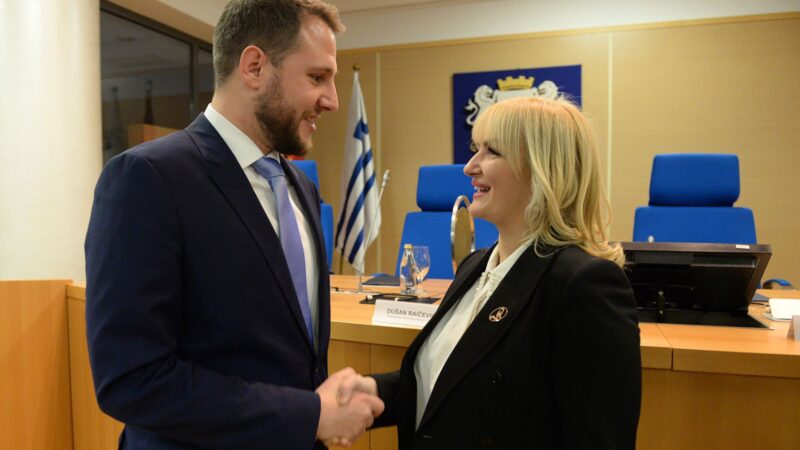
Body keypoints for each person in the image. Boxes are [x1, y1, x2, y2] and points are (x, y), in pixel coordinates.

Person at [84, 1, 382, 449]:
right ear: (255, 67)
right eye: (317, 77)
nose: (332, 100)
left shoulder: (301, 187)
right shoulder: (147, 179)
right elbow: (131, 380)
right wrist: (308, 415)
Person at [337, 96, 642, 449]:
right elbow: (452, 381)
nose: (469, 167)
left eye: (492, 151)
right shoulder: (474, 265)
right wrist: (372, 392)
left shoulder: (584, 285)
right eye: (475, 149)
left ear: (543, 170)